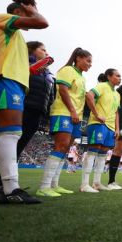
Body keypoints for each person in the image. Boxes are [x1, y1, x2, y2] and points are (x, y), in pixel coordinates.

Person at [0, 0, 48, 204]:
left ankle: (5, 187)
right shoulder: (3, 19)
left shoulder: (14, 36)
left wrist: (28, 71)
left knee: (6, 134)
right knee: (10, 133)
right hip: (5, 80)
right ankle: (10, 189)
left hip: (10, 80)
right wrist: (32, 9)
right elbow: (42, 22)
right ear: (19, 11)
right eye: (29, 9)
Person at [37, 47, 91, 197]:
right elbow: (63, 90)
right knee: (60, 146)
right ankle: (44, 186)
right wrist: (73, 111)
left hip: (76, 117)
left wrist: (77, 114)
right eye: (88, 60)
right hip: (63, 113)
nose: (90, 64)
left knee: (66, 149)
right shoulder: (68, 70)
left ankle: (55, 184)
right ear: (78, 58)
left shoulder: (82, 77)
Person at [80, 69, 121, 193]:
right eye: (117, 76)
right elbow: (89, 96)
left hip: (110, 127)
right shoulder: (102, 86)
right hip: (98, 123)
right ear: (109, 76)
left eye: (120, 76)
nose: (120, 78)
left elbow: (116, 112)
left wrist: (117, 128)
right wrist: (96, 114)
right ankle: (84, 184)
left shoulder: (117, 94)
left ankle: (97, 183)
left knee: (103, 153)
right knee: (93, 150)